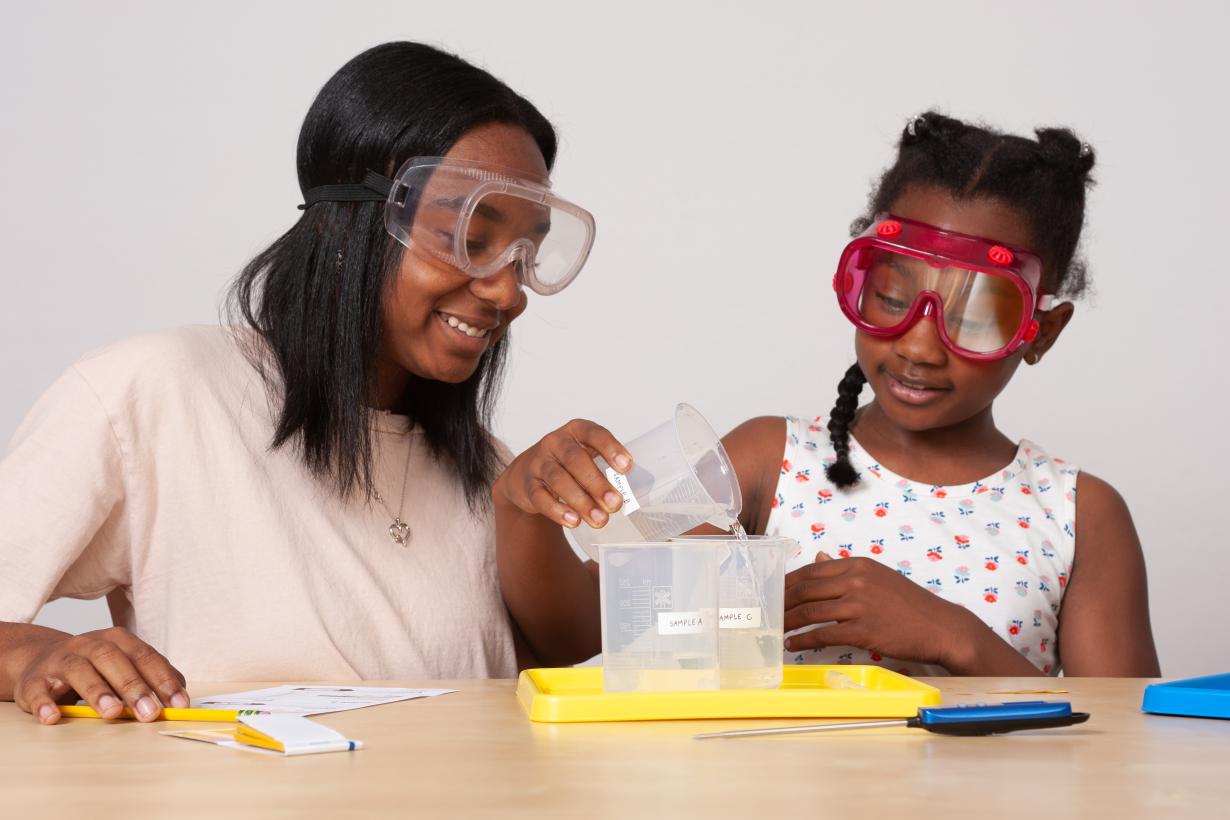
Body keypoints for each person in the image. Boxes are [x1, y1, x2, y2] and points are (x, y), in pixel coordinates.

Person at [0, 41, 597, 724]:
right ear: (348, 226)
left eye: (524, 253)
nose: (508, 291)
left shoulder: (490, 475)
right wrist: (33, 656)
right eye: (470, 235)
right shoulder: (158, 391)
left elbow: (539, 690)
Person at [719, 112, 1160, 676]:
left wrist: (956, 638)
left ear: (1041, 332)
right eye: (895, 299)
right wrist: (564, 511)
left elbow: (1121, 747)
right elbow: (606, 624)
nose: (920, 347)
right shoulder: (764, 462)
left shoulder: (1081, 515)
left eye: (975, 317)